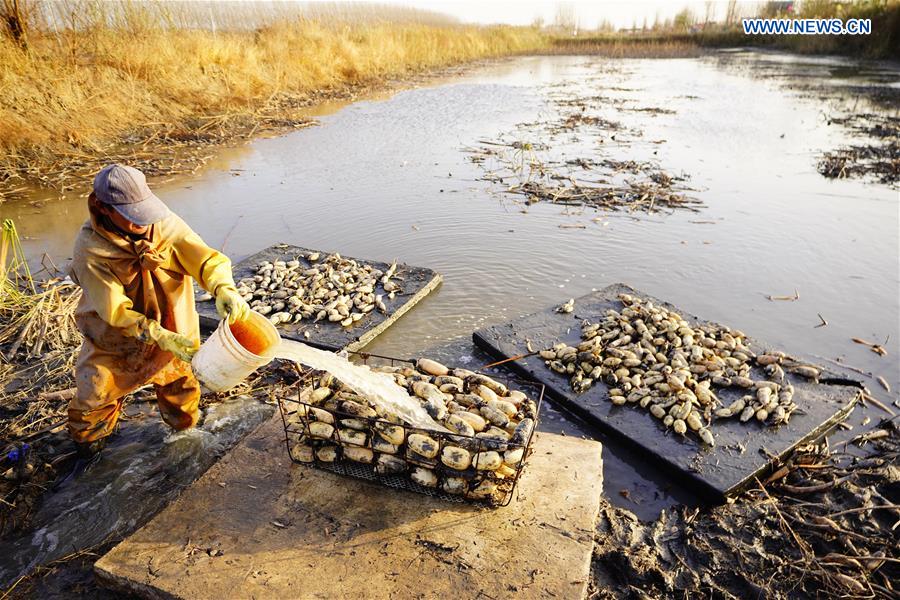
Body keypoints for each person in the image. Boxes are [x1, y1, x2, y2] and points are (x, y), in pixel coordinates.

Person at [67, 164, 249, 467]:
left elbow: (205, 260)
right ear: (103, 207)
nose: (142, 221)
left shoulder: (164, 224)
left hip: (173, 325)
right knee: (93, 396)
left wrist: (223, 288)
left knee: (180, 388)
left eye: (143, 210)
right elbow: (115, 309)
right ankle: (91, 458)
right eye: (130, 213)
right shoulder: (90, 249)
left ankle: (186, 440)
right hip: (117, 335)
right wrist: (155, 335)